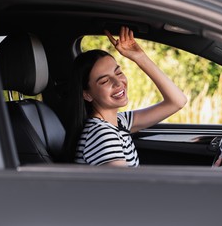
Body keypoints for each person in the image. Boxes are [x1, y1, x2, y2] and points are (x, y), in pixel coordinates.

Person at [64, 26, 187, 167]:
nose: (118, 83)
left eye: (118, 73)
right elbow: (124, 188)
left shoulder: (119, 122)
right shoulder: (101, 135)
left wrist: (139, 57)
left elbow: (178, 101)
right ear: (87, 94)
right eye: (105, 81)